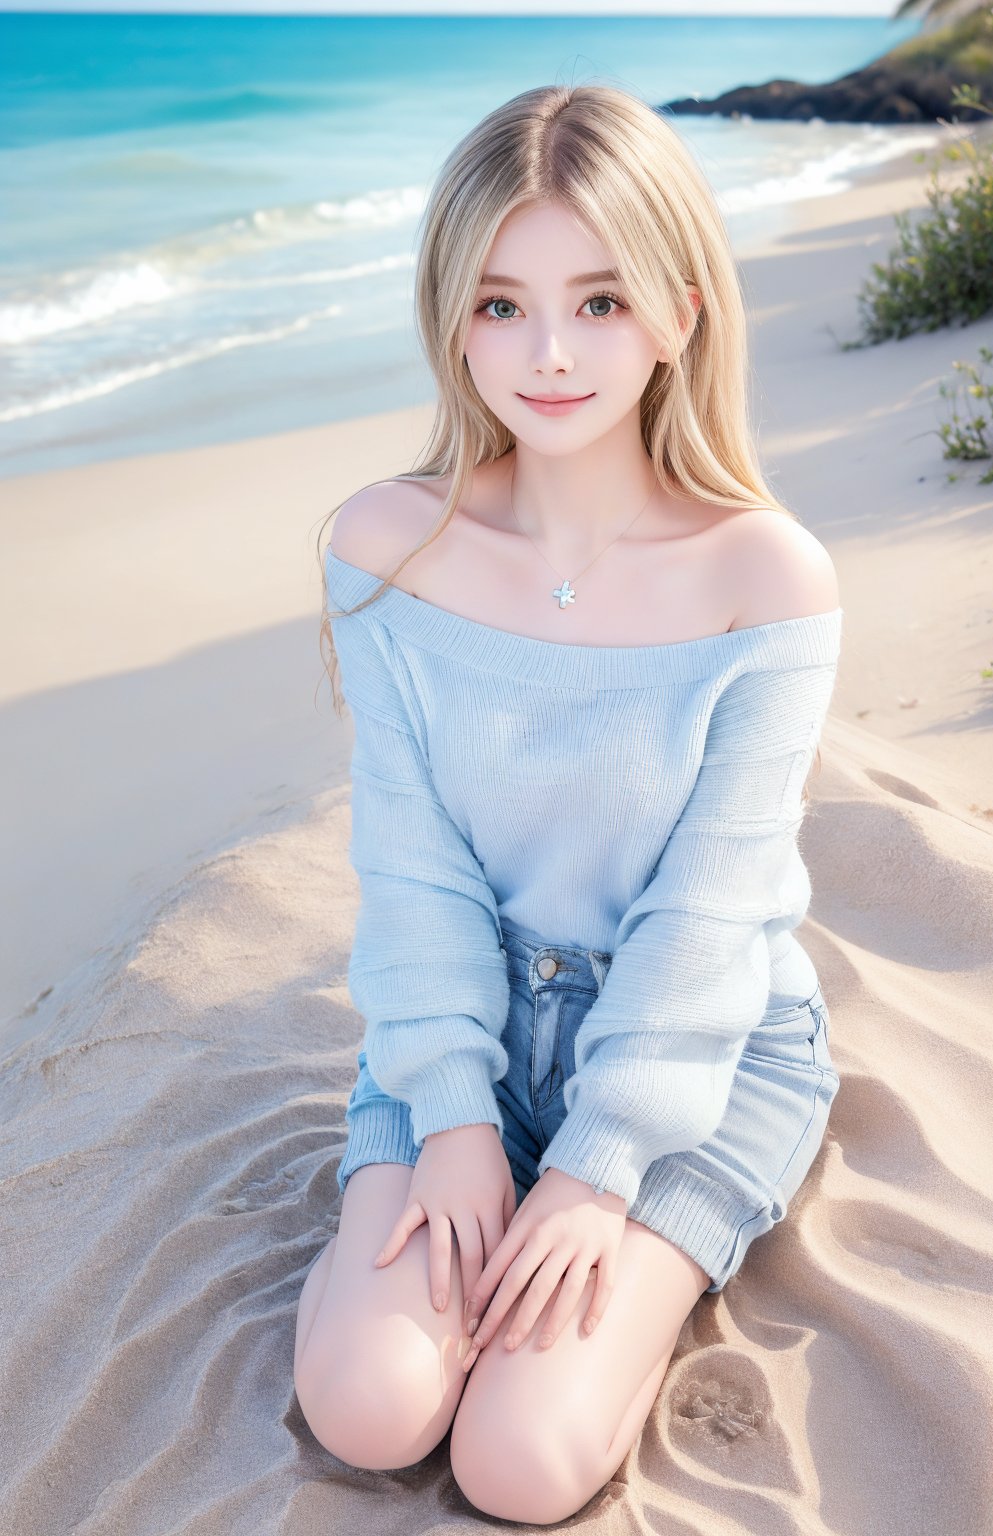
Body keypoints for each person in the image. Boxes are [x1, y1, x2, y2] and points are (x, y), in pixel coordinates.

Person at [293, 82, 842, 1523]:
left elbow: (712, 911)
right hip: (465, 1018)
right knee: (368, 1410)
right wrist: (460, 1117)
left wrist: (594, 1169)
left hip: (697, 1048)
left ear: (680, 309)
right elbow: (410, 866)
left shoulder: (765, 578)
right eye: (499, 304)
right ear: (448, 316)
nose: (545, 354)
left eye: (599, 302)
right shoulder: (384, 548)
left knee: (520, 1463)